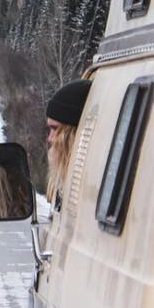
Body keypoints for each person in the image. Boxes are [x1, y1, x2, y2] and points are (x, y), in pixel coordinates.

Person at [45, 79, 92, 210]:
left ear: (75, 133)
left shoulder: (87, 184)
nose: (50, 138)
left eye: (55, 129)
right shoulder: (68, 182)